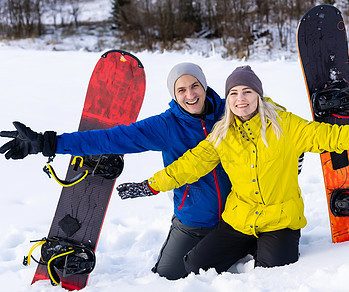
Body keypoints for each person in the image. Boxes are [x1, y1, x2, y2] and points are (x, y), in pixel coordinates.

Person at [116, 65, 349, 275]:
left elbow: (328, 137)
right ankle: (248, 246)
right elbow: (187, 166)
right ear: (227, 99)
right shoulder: (222, 134)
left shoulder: (284, 125)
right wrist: (150, 185)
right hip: (239, 219)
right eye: (233, 93)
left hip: (280, 220)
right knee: (194, 265)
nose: (240, 99)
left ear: (258, 95)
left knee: (272, 273)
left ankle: (265, 247)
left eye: (247, 92)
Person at [0, 63, 232, 280]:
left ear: (204, 86)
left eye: (194, 86)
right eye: (181, 90)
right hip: (194, 219)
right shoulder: (166, 125)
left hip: (237, 216)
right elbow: (112, 138)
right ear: (173, 94)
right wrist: (49, 143)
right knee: (167, 277)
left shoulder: (229, 113)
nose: (190, 95)